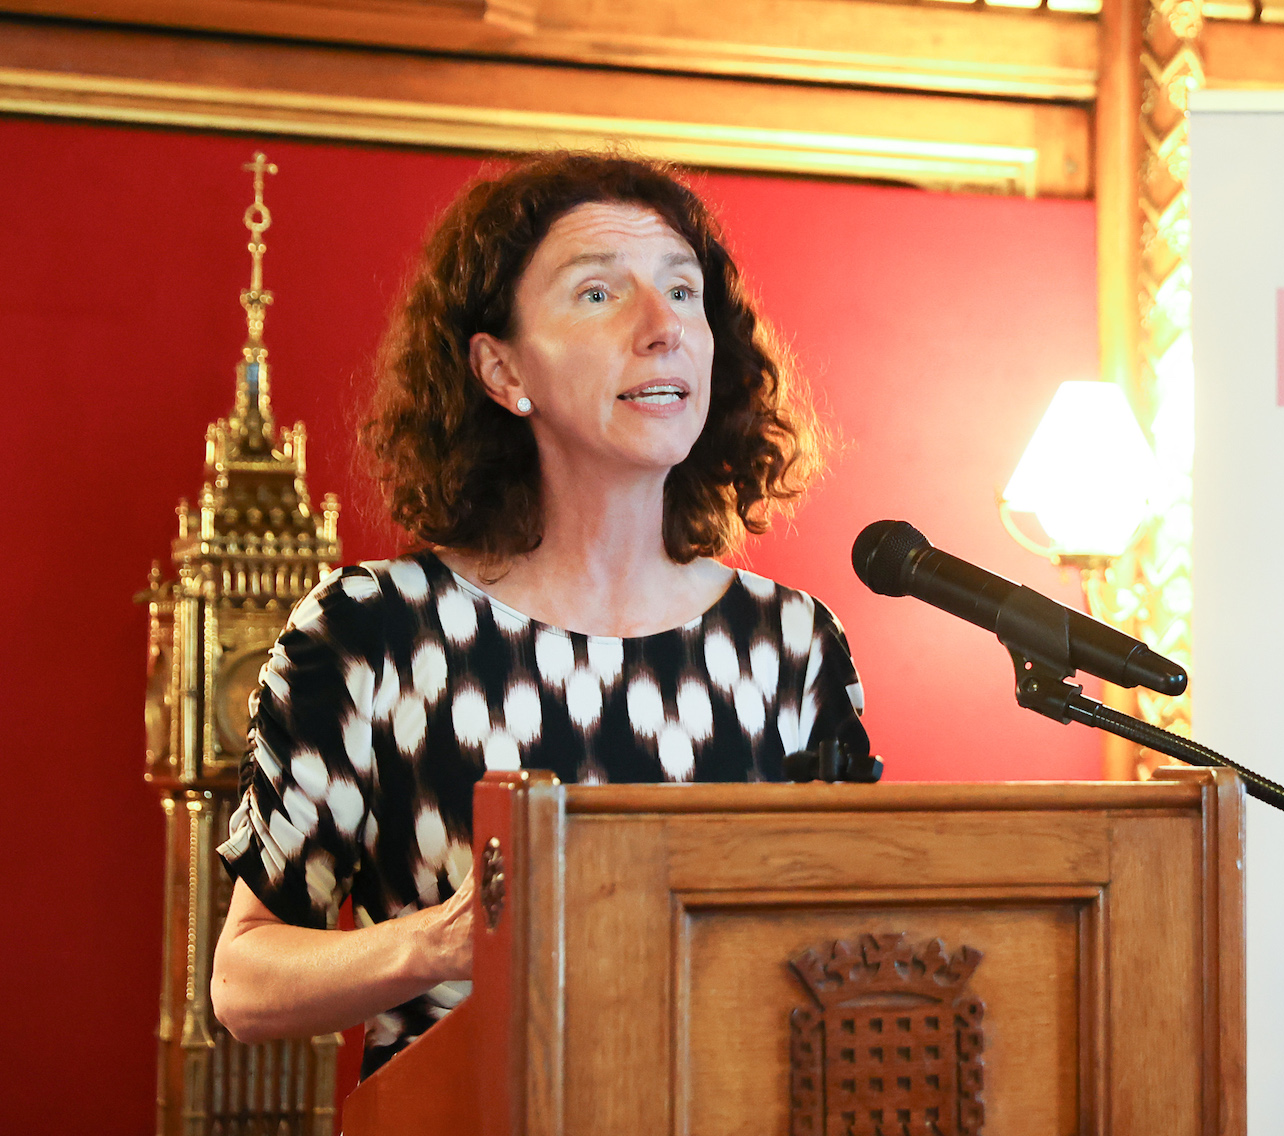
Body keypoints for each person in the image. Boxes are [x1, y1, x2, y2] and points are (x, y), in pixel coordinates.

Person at [210, 152, 863, 1078]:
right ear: (502, 367)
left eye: (684, 292)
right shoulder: (371, 634)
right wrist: (439, 944)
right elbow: (241, 983)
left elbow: (853, 938)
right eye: (600, 294)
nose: (662, 327)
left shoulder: (791, 645)